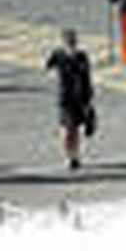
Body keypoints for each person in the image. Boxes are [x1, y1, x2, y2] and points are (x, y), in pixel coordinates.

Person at [45, 29, 95, 170]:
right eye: (69, 40)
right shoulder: (58, 55)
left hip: (79, 97)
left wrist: (89, 97)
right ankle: (68, 156)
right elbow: (48, 66)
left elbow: (87, 76)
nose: (72, 43)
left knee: (76, 129)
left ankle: (76, 155)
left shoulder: (82, 56)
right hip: (65, 97)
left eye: (73, 40)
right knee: (67, 129)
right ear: (64, 42)